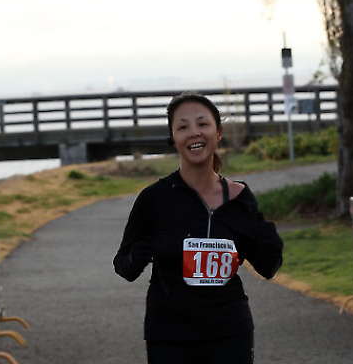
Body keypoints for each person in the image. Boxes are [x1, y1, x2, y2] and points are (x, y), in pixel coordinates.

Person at [113, 92, 283, 364]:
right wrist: (135, 258)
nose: (194, 132)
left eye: (203, 124)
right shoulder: (154, 198)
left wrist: (270, 244)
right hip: (170, 335)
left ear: (218, 133)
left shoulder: (240, 198)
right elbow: (123, 265)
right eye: (183, 127)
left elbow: (267, 267)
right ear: (173, 138)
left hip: (231, 332)